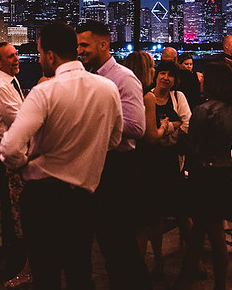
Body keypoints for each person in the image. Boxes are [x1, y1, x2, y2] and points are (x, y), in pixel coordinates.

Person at [0, 22, 123, 289]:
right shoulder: (108, 89)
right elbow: (114, 140)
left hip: (43, 199)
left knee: (46, 277)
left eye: (40, 53)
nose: (40, 59)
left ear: (51, 55)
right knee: (81, 272)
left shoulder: (44, 92)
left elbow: (9, 148)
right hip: (83, 200)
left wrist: (24, 162)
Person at [76, 21, 150, 290]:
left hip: (118, 169)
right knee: (108, 245)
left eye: (84, 45)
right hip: (97, 167)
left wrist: (94, 123)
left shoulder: (123, 78)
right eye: (78, 45)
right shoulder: (90, 77)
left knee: (120, 245)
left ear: (103, 45)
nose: (79, 50)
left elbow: (137, 127)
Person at [177, 61, 232, 290]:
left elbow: (193, 148)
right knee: (207, 232)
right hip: (223, 175)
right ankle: (203, 281)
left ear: (214, 81)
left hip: (204, 177)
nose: (201, 79)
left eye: (205, 77)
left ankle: (197, 281)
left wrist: (176, 137)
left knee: (208, 233)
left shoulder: (203, 111)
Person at [136, 59, 192, 279]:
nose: (166, 78)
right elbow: (146, 132)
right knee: (155, 215)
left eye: (170, 75)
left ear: (175, 80)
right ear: (156, 75)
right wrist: (171, 126)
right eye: (162, 73)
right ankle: (158, 259)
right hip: (151, 164)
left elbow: (187, 123)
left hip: (171, 161)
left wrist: (167, 128)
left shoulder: (178, 98)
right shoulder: (147, 98)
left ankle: (193, 258)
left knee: (183, 211)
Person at [0, 42, 31, 289]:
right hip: (5, 155)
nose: (16, 58)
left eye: (16, 54)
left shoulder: (10, 81)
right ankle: (16, 268)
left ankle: (23, 267)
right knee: (12, 213)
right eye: (10, 56)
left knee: (18, 211)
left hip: (14, 152)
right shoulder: (0, 86)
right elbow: (21, 119)